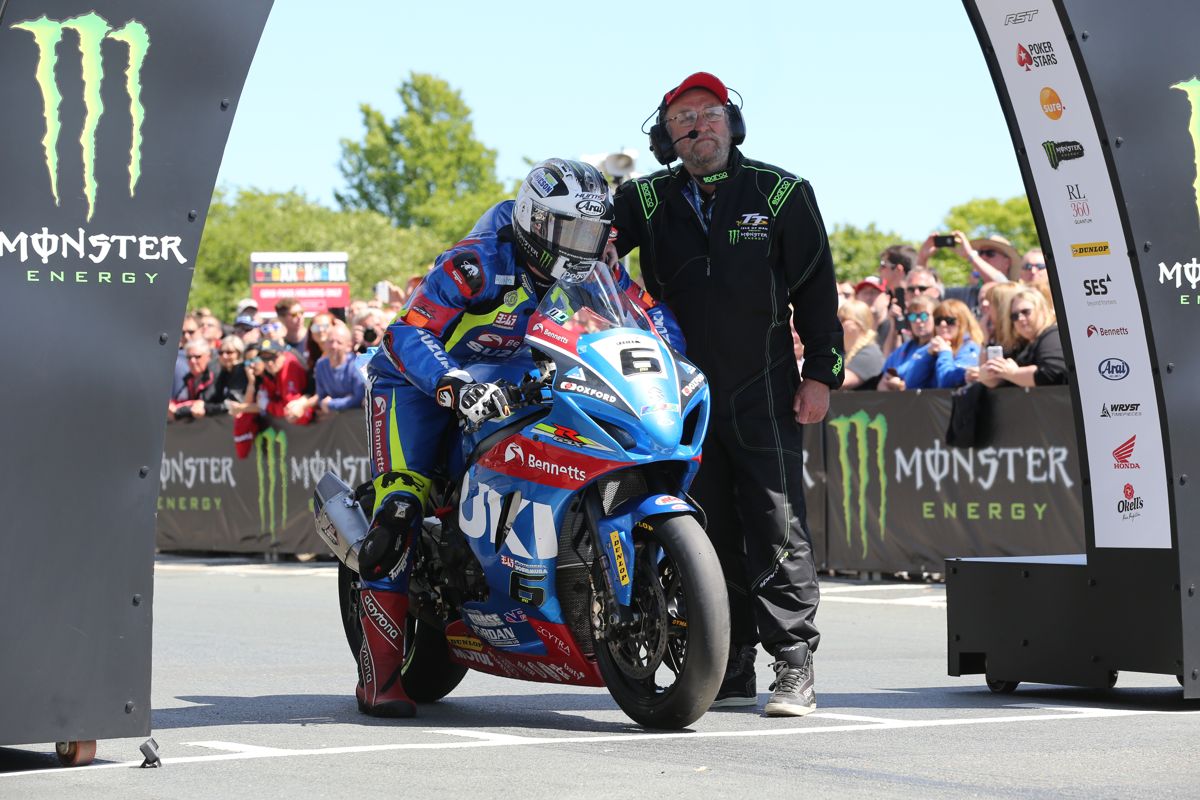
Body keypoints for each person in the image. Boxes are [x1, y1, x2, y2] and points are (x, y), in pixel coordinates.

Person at [357, 158, 681, 718]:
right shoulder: (478, 261)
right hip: (420, 380)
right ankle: (378, 679)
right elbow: (407, 331)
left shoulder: (591, 266)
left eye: (590, 232)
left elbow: (649, 316)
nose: (580, 246)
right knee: (400, 509)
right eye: (567, 231)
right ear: (533, 221)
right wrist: (452, 384)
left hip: (509, 377)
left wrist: (672, 361)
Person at [611, 71, 844, 717]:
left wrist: (821, 373)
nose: (699, 126)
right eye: (685, 117)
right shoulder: (646, 199)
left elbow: (817, 292)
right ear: (668, 134)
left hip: (763, 388)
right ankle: (728, 663)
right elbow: (588, 258)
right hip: (675, 396)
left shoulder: (780, 191)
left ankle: (794, 667)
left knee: (776, 523)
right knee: (701, 527)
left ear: (730, 124)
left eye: (710, 114)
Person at [978, 288, 1067, 387]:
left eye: (1026, 312)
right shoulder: (1023, 344)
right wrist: (986, 375)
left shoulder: (1053, 335)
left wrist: (1014, 373)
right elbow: (997, 381)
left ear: (1042, 310)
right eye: (1014, 316)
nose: (1020, 318)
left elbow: (1051, 373)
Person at [876, 295, 936, 391]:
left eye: (924, 316)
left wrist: (901, 386)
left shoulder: (938, 347)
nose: (918, 321)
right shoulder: (906, 347)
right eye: (912, 316)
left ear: (936, 318)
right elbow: (882, 382)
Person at [924, 298, 983, 389]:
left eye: (949, 320)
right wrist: (927, 355)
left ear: (963, 323)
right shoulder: (933, 347)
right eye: (938, 320)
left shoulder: (971, 347)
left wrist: (945, 353)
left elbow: (947, 382)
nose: (943, 324)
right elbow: (911, 383)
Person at [837, 299, 884, 390]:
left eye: (842, 319)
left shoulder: (870, 352)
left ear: (859, 323)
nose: (837, 323)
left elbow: (840, 381)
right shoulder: (842, 351)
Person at [169, 339, 218, 421]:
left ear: (208, 357)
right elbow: (181, 400)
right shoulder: (188, 378)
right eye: (189, 357)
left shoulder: (215, 376)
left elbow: (202, 405)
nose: (192, 361)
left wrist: (178, 410)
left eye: (197, 357)